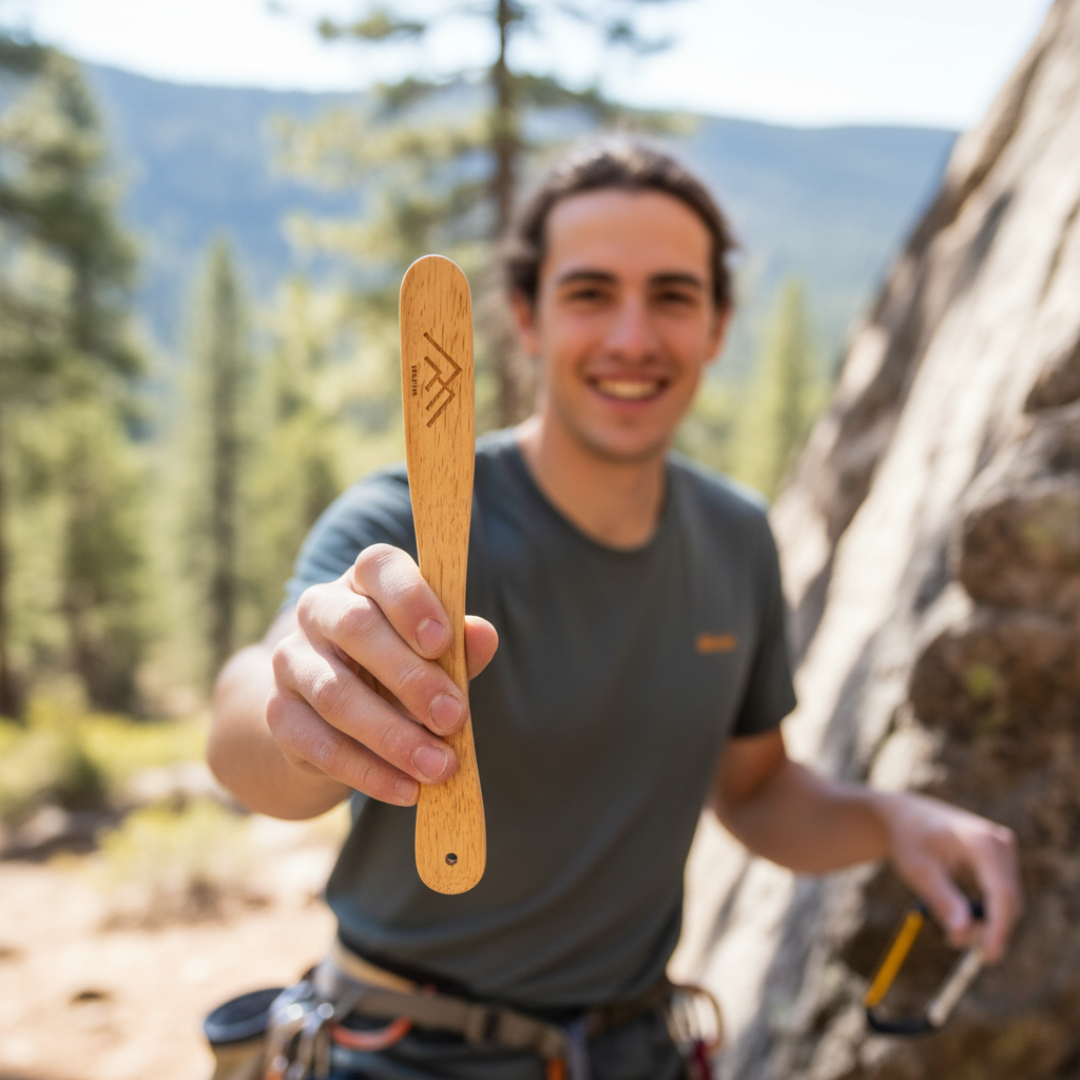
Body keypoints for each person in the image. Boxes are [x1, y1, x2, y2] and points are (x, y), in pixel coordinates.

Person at [208, 140, 1022, 1080]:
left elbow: (755, 792)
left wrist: (894, 822)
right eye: (591, 293)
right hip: (399, 1053)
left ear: (717, 326)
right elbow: (246, 733)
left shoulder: (735, 540)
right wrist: (301, 712)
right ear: (528, 317)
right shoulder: (408, 522)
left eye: (673, 296)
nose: (633, 336)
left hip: (639, 1053)